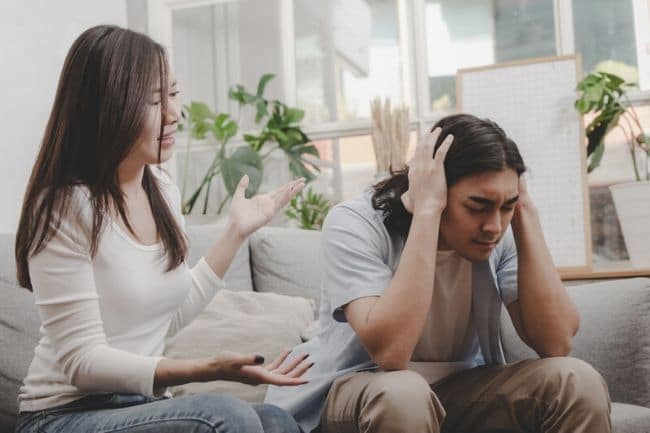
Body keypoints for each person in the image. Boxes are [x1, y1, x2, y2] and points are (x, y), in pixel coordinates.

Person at [14, 25, 311, 433]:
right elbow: (81, 362)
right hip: (63, 415)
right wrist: (203, 369)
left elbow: (164, 319)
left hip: (141, 406)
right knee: (228, 417)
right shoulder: (63, 206)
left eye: (173, 94)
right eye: (155, 101)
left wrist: (236, 232)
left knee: (276, 421)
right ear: (106, 109)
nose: (174, 114)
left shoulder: (162, 191)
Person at [265, 114, 612, 433]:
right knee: (404, 393)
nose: (493, 225)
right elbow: (391, 353)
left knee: (576, 379)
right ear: (436, 188)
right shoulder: (354, 223)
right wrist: (427, 213)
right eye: (477, 206)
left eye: (506, 206)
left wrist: (525, 216)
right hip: (362, 387)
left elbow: (555, 342)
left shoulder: (497, 234)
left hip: (461, 388)